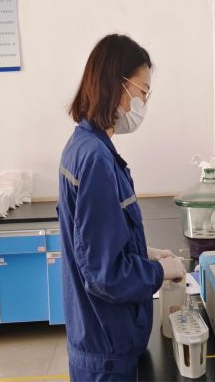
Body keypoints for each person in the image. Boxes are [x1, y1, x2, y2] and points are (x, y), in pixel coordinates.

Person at [57, 34, 186, 381]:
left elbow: (92, 244)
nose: (144, 102)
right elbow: (106, 275)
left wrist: (144, 253)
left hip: (96, 336)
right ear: (117, 85)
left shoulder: (83, 146)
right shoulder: (96, 160)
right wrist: (160, 271)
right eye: (143, 91)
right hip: (107, 351)